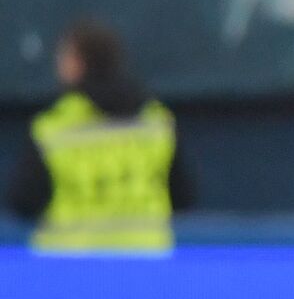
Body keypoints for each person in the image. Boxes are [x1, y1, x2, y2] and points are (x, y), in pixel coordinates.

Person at [5, 19, 195, 253]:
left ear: (77, 63)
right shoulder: (157, 123)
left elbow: (23, 201)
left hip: (69, 268)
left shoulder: (55, 128)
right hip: (144, 264)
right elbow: (183, 196)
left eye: (64, 56)